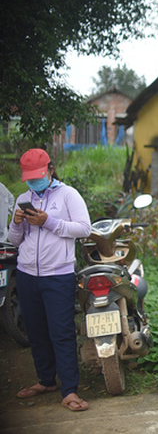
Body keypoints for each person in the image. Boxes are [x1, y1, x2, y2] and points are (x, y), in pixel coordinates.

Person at [8, 148, 91, 412]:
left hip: (58, 275)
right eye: (29, 178)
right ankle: (46, 381)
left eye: (38, 176)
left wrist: (49, 222)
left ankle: (69, 390)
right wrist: (17, 223)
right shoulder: (23, 198)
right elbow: (14, 241)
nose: (34, 182)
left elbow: (84, 228)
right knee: (36, 332)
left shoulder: (69, 195)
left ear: (51, 170)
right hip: (27, 275)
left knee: (62, 333)